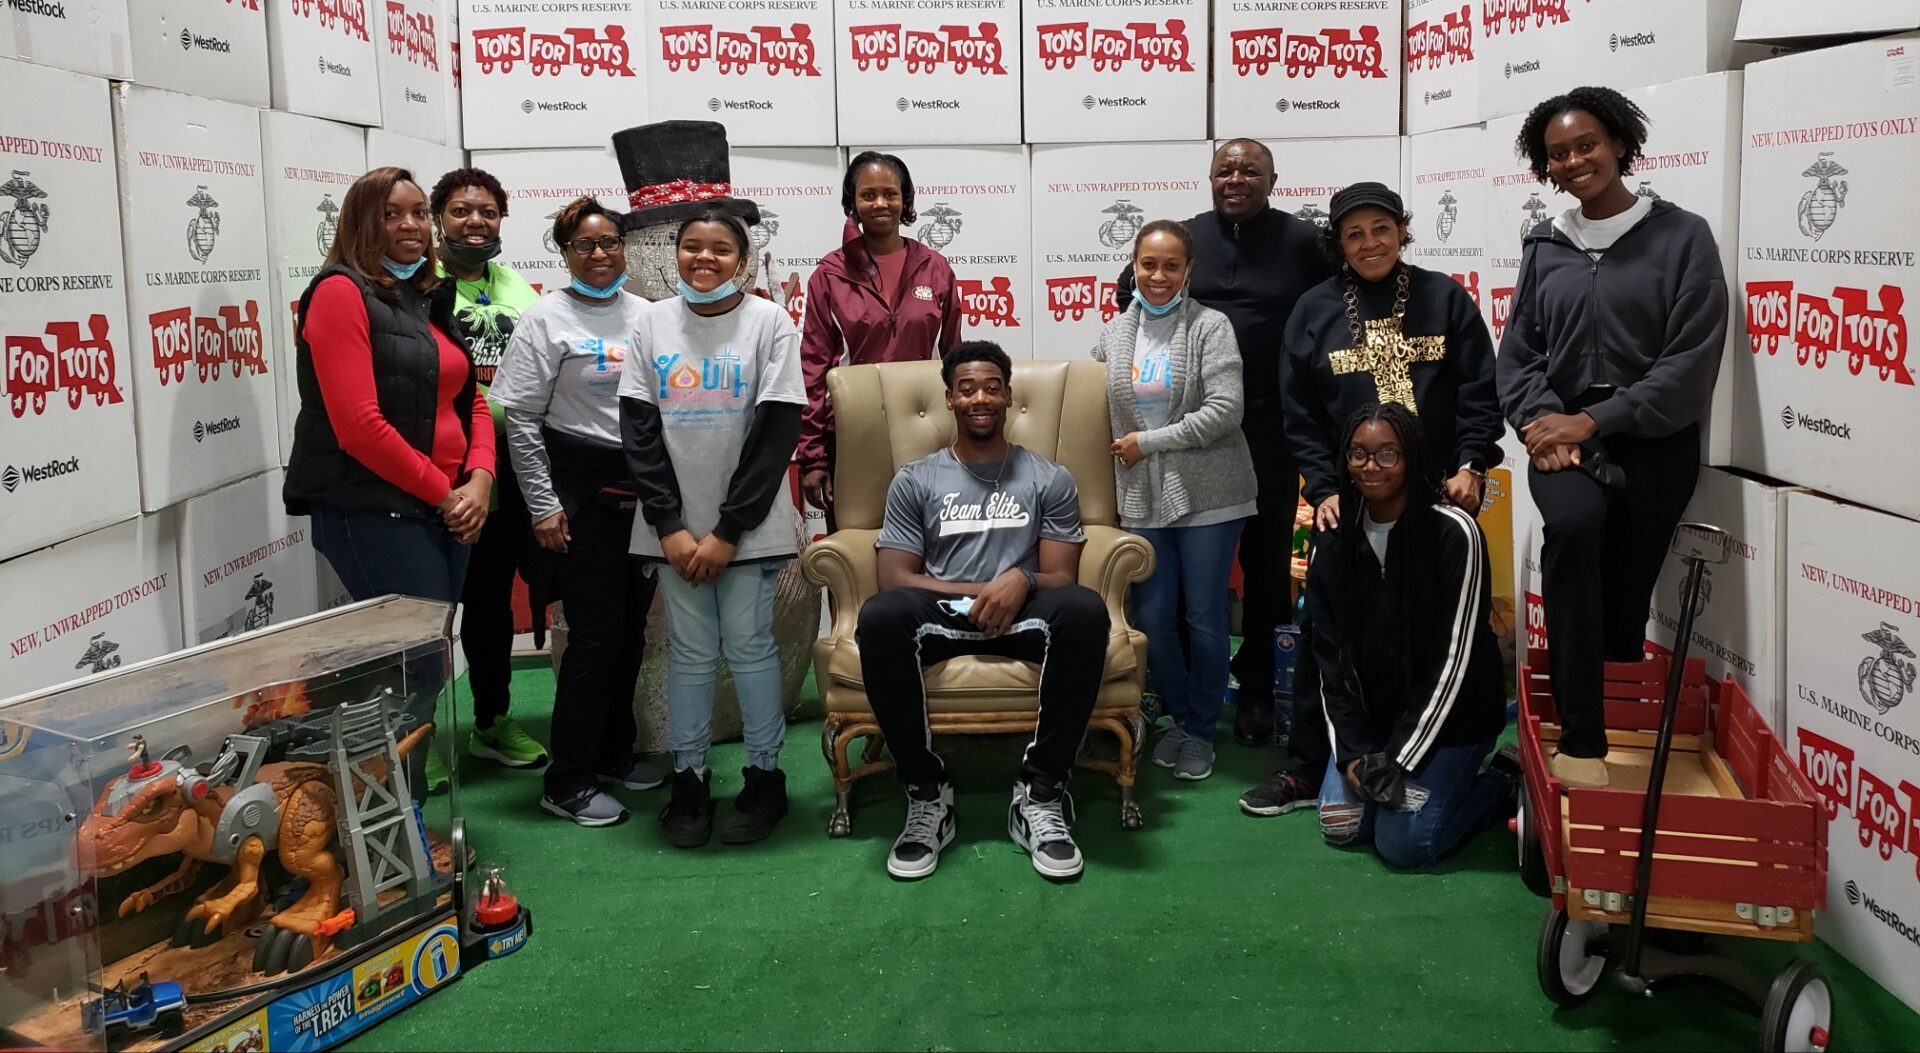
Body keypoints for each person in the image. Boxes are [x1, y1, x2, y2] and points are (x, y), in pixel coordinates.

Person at [1242, 181, 1502, 817]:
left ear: (1402, 231)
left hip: (1438, 496)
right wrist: (1324, 487)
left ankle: (1430, 748)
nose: (1369, 244)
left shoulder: (1444, 297)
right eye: (1354, 234)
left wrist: (1472, 463)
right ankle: (1308, 766)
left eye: (1380, 230)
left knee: (1437, 627)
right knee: (1321, 633)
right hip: (1349, 497)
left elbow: (1478, 391)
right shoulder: (1313, 310)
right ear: (1337, 244)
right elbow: (1298, 413)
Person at [1497, 87, 1728, 789]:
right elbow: (1520, 353)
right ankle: (1582, 736)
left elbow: (1691, 359)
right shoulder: (1546, 243)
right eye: (1558, 153)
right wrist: (1545, 425)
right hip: (1559, 440)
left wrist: (1595, 420)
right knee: (1572, 529)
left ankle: (1600, 717)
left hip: (1652, 438)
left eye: (1587, 144)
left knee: (1623, 600)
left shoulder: (1682, 236)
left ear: (1621, 144)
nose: (1574, 160)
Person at [855, 341, 1111, 882]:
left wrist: (1020, 580)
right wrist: (982, 589)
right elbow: (896, 577)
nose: (981, 397)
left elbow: (1060, 576)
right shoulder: (916, 479)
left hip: (1026, 613)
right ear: (949, 398)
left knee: (1084, 611)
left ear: (1009, 397)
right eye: (967, 388)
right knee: (881, 615)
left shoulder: (1049, 477)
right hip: (944, 613)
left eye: (992, 387)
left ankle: (1040, 794)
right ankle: (927, 794)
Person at [283, 165, 493, 796]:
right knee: (409, 676)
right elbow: (359, 427)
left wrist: (480, 477)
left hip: (445, 510)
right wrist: (446, 492)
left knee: (423, 671)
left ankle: (402, 825)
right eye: (390, 214)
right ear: (359, 222)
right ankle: (395, 830)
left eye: (417, 214)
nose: (410, 226)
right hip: (375, 511)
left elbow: (472, 402)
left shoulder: (424, 296)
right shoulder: (340, 292)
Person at [1117, 138, 1334, 746]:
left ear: (1272, 179)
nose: (1236, 179)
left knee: (1266, 564)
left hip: (1268, 422)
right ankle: (1179, 685)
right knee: (1180, 569)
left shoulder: (1301, 242)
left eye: (1251, 171)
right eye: (1225, 170)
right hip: (1180, 430)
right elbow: (1129, 300)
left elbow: (1338, 308)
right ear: (1210, 177)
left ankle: (1259, 689)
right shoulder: (1185, 238)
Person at [622, 206, 806, 848]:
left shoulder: (769, 322)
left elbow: (777, 432)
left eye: (720, 249)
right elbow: (639, 434)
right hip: (673, 532)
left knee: (752, 649)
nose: (704, 259)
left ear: (743, 259)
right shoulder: (649, 323)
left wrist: (728, 531)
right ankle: (690, 780)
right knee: (692, 654)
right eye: (691, 247)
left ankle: (763, 777)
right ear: (675, 255)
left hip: (748, 530)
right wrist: (670, 526)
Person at [488, 196, 659, 827]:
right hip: (578, 500)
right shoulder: (544, 319)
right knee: (593, 638)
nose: (599, 254)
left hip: (643, 497)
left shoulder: (649, 315)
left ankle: (615, 753)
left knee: (632, 634)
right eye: (584, 245)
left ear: (625, 247)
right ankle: (568, 778)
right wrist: (543, 505)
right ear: (564, 253)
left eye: (610, 242)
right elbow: (524, 421)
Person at [1309, 402, 1512, 868]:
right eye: (1358, 454)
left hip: (1448, 724)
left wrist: (1398, 758)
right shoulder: (1333, 541)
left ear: (1413, 457)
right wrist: (1356, 756)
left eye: (1387, 455)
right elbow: (1330, 663)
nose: (1370, 467)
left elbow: (1455, 663)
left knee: (1405, 843)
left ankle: (1500, 779)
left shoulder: (1455, 533)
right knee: (1341, 826)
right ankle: (1400, 782)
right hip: (1375, 725)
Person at [1093, 219, 1255, 782]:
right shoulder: (1114, 336)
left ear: (1188, 271)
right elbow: (1097, 414)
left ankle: (1202, 730)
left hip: (1210, 494)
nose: (1157, 276)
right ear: (1133, 267)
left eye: (1170, 266)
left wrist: (1150, 442)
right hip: (1142, 499)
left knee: (1205, 617)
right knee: (1155, 618)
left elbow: (1224, 410)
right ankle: (1182, 718)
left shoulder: (1212, 327)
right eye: (1148, 264)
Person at [430, 166, 549, 776]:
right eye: (460, 211)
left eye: (488, 212)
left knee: (492, 603)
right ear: (437, 219)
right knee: (429, 607)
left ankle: (491, 722)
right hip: (441, 469)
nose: (475, 222)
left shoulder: (522, 292)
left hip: (513, 466)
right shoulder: (418, 288)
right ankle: (418, 743)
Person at [798, 151, 962, 519]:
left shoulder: (935, 268)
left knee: (931, 544)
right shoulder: (829, 275)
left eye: (890, 193)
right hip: (854, 432)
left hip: (928, 430)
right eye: (868, 195)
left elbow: (955, 357)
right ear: (852, 202)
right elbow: (813, 369)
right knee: (857, 550)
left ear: (905, 199)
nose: (880, 203)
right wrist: (813, 455)